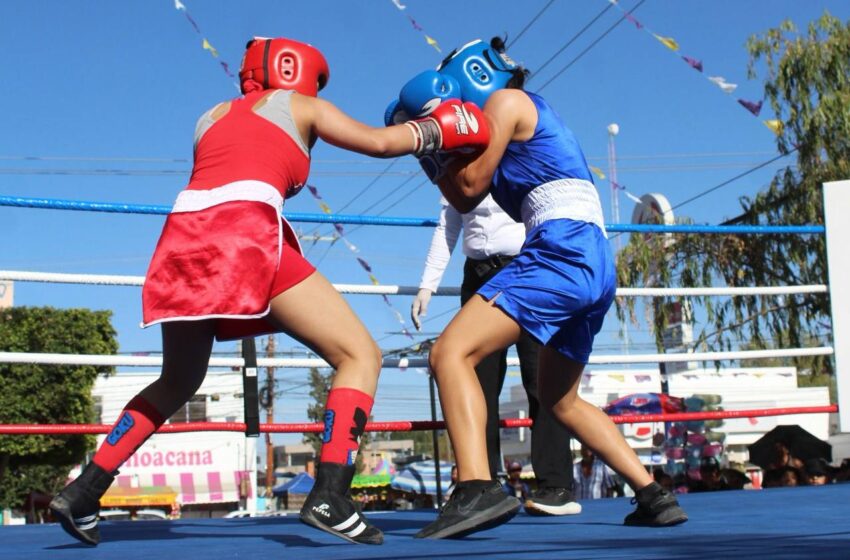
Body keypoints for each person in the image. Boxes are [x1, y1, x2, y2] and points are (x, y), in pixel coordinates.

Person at [48, 36, 490, 547]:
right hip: (244, 233)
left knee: (177, 380)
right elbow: (379, 142)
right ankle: (330, 494)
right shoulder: (302, 105)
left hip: (182, 240)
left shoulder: (209, 117)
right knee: (359, 354)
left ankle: (85, 489)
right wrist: (444, 128)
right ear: (297, 70)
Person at [388, 37, 688, 539]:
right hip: (590, 261)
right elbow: (464, 199)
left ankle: (477, 487)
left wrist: (427, 138)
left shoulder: (508, 103)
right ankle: (653, 494)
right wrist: (438, 143)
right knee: (559, 398)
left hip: (561, 249)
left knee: (449, 354)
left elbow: (466, 188)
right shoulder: (516, 126)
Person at [409, 192, 579, 516]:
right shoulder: (457, 164)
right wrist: (426, 286)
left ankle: (556, 486)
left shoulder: (520, 154)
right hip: (478, 278)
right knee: (475, 383)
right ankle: (482, 483)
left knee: (543, 381)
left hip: (528, 270)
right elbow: (448, 226)